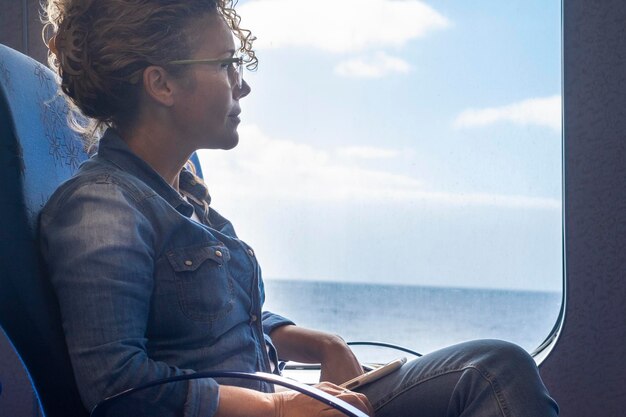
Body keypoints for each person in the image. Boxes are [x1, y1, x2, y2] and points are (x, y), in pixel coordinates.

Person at [39, 1, 559, 416]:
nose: (242, 84)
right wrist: (280, 407)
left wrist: (315, 343)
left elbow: (205, 316)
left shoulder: (186, 199)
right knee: (495, 374)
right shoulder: (101, 208)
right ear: (162, 84)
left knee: (490, 369)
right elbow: (117, 388)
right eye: (224, 64)